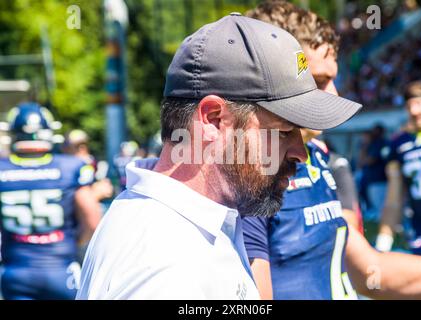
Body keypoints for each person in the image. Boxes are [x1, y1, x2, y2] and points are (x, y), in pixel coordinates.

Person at [76, 13, 361, 299]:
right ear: (213, 119)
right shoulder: (168, 265)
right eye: (285, 131)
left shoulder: (193, 222)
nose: (301, 154)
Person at [242, 0, 421, 300]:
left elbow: (368, 271)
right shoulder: (249, 172)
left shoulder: (318, 156)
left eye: (333, 79)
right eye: (319, 81)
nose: (335, 94)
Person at [0, 102, 103, 299]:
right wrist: (73, 242)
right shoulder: (71, 166)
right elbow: (92, 220)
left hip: (16, 272)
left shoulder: (3, 169)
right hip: (61, 269)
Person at [377, 81, 421, 258]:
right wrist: (383, 242)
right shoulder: (399, 143)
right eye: (409, 105)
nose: (414, 111)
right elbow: (394, 198)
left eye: (418, 103)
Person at [63, 129, 114, 203]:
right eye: (77, 146)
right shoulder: (63, 163)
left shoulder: (90, 161)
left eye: (84, 145)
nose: (82, 148)